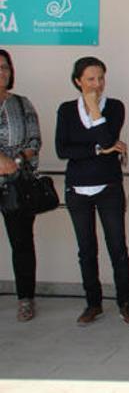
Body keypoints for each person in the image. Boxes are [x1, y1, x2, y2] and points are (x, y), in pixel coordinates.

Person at [55, 56, 129, 326]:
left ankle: (126, 303)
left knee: (117, 246)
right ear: (78, 81)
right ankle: (93, 303)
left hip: (108, 187)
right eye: (91, 79)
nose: (97, 84)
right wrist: (97, 150)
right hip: (77, 188)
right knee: (86, 248)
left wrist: (94, 110)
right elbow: (62, 150)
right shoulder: (67, 110)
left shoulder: (114, 107)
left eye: (101, 78)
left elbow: (107, 138)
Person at [0, 49, 42, 322]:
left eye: (4, 67)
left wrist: (13, 160)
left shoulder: (21, 103)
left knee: (22, 243)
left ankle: (25, 298)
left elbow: (34, 141)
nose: (1, 71)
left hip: (16, 183)